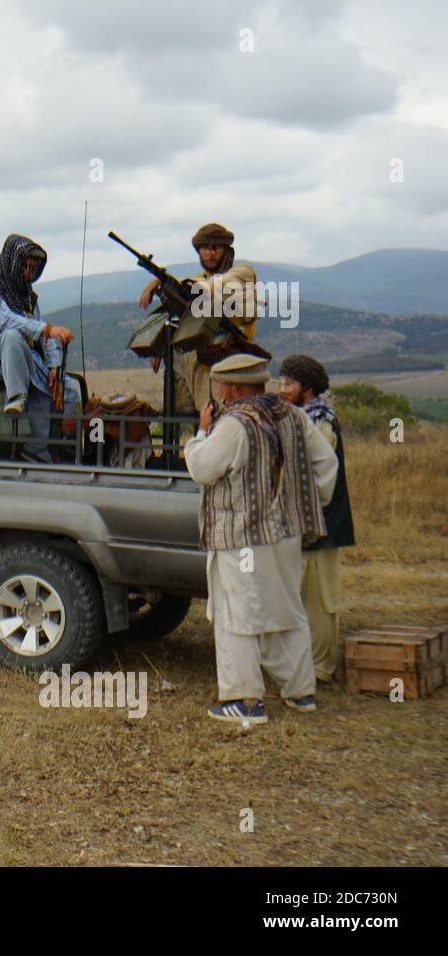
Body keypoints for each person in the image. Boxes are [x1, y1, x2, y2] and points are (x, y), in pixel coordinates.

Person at [184, 354, 338, 724]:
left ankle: (244, 700)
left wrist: (201, 433)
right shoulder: (294, 416)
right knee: (285, 609)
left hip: (242, 539)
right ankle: (300, 692)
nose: (220, 393)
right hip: (285, 535)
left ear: (234, 388)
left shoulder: (235, 424)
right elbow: (326, 465)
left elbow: (202, 469)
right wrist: (301, 504)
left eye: (222, 386)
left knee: (238, 612)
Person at [0, 233, 80, 462]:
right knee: (12, 337)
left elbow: (40, 330)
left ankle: (41, 450)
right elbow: (3, 320)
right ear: (13, 262)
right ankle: (17, 395)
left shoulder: (27, 296)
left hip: (25, 356)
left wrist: (54, 367)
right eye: (25, 265)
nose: (29, 270)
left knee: (68, 389)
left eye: (34, 266)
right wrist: (47, 330)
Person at [278, 354, 354, 683]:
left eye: (289, 384)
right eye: (281, 382)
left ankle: (322, 666)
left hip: (322, 521)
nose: (282, 389)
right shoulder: (300, 416)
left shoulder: (319, 420)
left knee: (321, 598)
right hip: (305, 520)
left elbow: (319, 471)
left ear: (306, 388)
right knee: (300, 592)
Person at [139, 223, 262, 413]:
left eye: (216, 248)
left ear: (227, 250)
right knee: (195, 414)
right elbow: (180, 309)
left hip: (232, 365)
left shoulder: (242, 275)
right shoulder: (197, 281)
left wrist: (160, 280)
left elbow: (211, 286)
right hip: (203, 362)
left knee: (224, 417)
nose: (211, 253)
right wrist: (160, 346)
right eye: (205, 248)